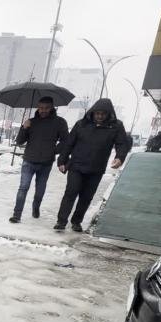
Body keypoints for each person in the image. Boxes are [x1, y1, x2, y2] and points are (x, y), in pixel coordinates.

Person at [55, 98, 130, 232]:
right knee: (71, 192)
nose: (100, 116)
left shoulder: (116, 126)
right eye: (97, 113)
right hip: (77, 166)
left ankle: (76, 222)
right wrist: (62, 160)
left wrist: (119, 157)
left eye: (103, 114)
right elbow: (69, 144)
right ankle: (61, 221)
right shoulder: (81, 124)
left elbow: (122, 144)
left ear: (109, 114)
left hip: (96, 168)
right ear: (92, 112)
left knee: (86, 197)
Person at [8, 96, 69, 223]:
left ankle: (36, 207)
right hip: (29, 161)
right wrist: (24, 128)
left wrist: (54, 150)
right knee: (23, 187)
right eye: (41, 108)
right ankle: (17, 215)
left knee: (40, 191)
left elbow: (66, 141)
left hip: (46, 163)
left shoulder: (60, 122)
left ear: (52, 108)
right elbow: (19, 141)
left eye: (46, 108)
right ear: (37, 108)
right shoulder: (31, 122)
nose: (43, 110)